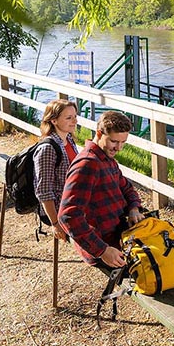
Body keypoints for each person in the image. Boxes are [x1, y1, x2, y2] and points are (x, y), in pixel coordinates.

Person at [58, 110, 145, 271]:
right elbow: (67, 215)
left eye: (123, 142)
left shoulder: (107, 158)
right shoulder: (88, 164)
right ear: (99, 133)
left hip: (120, 235)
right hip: (105, 247)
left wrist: (134, 208)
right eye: (114, 141)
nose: (119, 148)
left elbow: (127, 187)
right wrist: (102, 250)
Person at [33, 99, 80, 241]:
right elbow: (44, 191)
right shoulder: (48, 148)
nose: (74, 121)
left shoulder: (69, 140)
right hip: (62, 207)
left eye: (75, 116)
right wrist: (55, 223)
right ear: (53, 121)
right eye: (68, 118)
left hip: (75, 199)